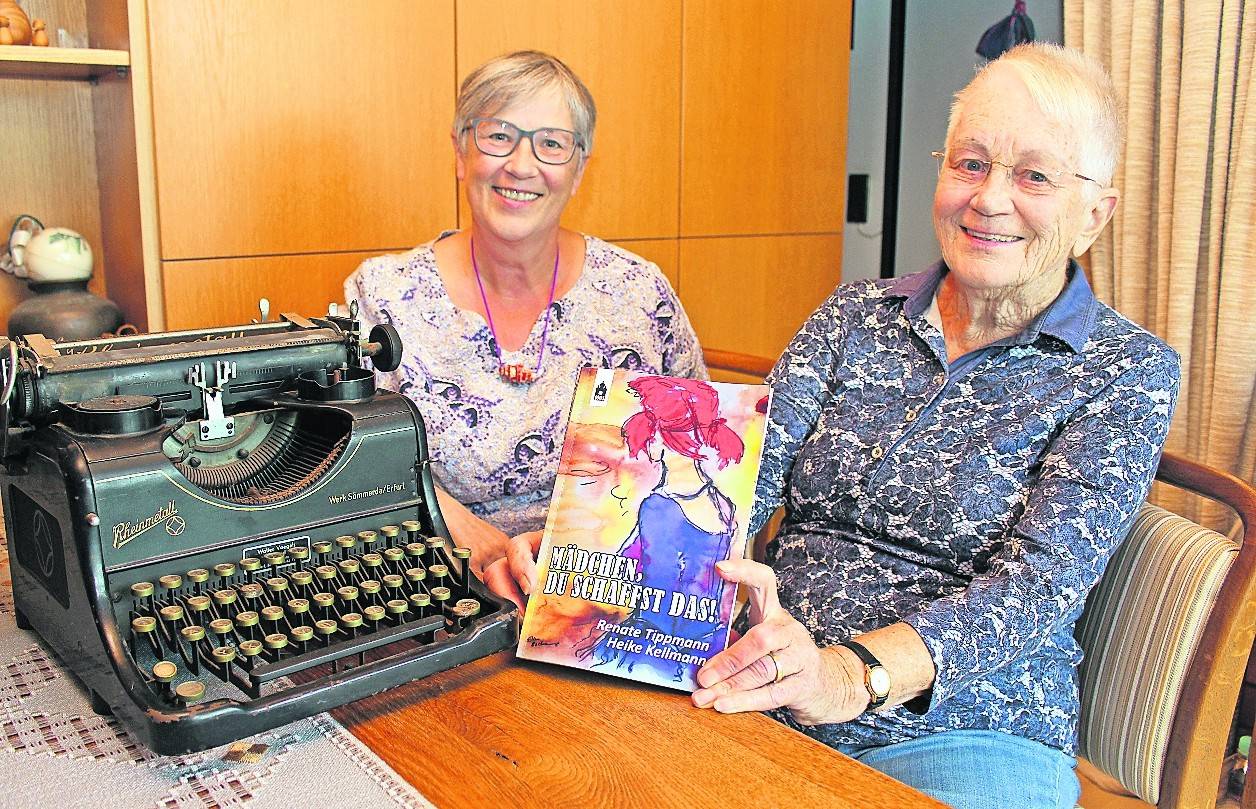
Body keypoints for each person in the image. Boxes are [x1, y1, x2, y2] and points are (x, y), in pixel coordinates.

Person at [686, 43, 1180, 809]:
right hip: (765, 675)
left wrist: (851, 674)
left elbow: (1036, 586)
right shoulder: (855, 315)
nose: (989, 199)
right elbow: (739, 483)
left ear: (1093, 215)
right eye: (971, 163)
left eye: (1034, 176)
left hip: (964, 729)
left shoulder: (1124, 371)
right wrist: (603, 563)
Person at [344, 51, 706, 582]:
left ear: (580, 168)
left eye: (551, 144)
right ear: (461, 150)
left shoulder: (638, 293)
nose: (520, 164)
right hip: (433, 575)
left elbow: (694, 452)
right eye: (498, 136)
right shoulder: (381, 294)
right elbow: (352, 456)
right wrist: (468, 536)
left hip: (612, 582)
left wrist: (572, 558)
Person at [575, 376, 745, 684]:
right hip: (706, 644)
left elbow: (659, 587)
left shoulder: (658, 507)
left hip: (655, 646)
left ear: (663, 439)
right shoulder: (724, 504)